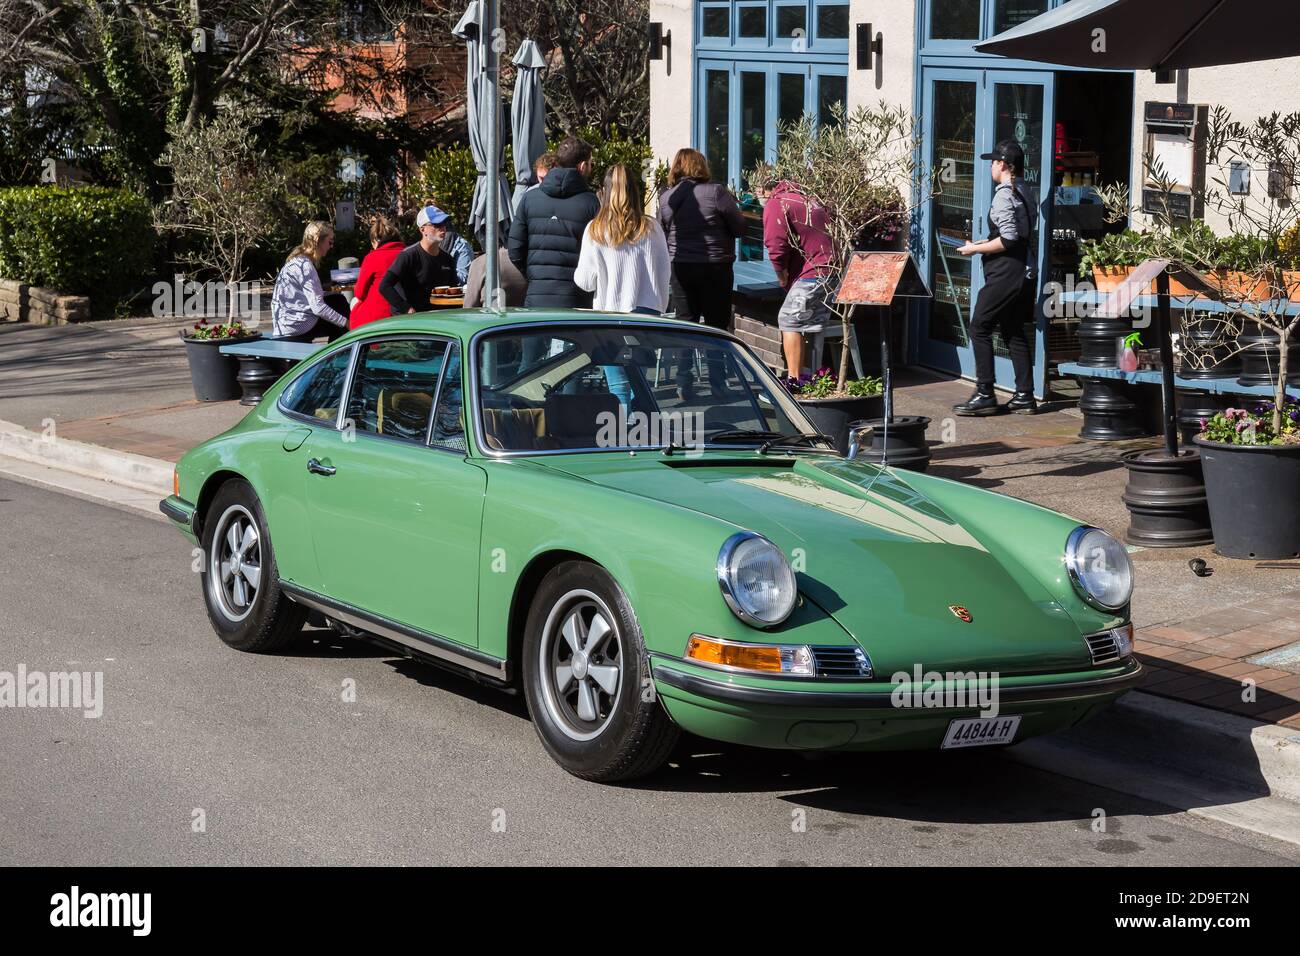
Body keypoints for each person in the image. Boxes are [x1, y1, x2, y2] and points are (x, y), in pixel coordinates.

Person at [572, 163, 669, 406]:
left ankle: (624, 437)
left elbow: (584, 282)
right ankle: (644, 434)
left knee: (618, 386)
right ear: (635, 191)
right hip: (647, 315)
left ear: (603, 192)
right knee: (640, 384)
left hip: (609, 314)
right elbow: (664, 274)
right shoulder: (652, 228)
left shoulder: (595, 230)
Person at [953, 138, 1037, 416]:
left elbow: (1009, 239)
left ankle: (985, 392)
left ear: (1002, 164)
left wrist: (974, 249)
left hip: (1006, 271)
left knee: (979, 325)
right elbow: (1014, 234)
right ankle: (1025, 395)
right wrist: (983, 241)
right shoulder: (1025, 189)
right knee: (1013, 329)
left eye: (993, 161)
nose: (990, 166)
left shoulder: (1004, 194)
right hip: (1023, 269)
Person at [657, 147, 745, 396]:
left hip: (681, 266)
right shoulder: (716, 192)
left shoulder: (666, 197)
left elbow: (663, 231)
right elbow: (739, 227)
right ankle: (718, 383)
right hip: (715, 267)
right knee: (716, 325)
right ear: (700, 166)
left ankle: (684, 382)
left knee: (686, 323)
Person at [752, 163, 836, 379]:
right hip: (831, 269)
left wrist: (781, 275)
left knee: (789, 319)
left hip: (815, 271)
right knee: (806, 322)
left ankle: (794, 379)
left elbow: (775, 245)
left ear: (762, 188)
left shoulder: (776, 202)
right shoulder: (804, 197)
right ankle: (811, 374)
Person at [508, 135, 602, 309]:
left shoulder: (530, 199)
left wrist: (535, 275)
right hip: (577, 298)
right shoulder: (591, 203)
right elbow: (599, 251)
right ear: (582, 167)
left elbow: (514, 249)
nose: (591, 168)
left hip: (537, 297)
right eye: (590, 163)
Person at [270, 221, 349, 342]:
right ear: (317, 240)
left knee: (335, 300)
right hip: (296, 327)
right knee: (338, 302)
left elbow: (305, 296)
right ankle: (340, 354)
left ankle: (337, 354)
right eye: (330, 241)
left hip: (284, 324)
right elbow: (318, 307)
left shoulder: (296, 261)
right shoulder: (306, 266)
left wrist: (327, 289)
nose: (331, 246)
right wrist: (347, 323)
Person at [379, 205, 464, 315]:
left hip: (438, 320)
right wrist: (407, 309)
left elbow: (453, 294)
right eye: (437, 224)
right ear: (423, 229)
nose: (442, 228)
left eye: (444, 224)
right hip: (413, 323)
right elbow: (385, 286)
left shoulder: (447, 259)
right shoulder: (408, 255)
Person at [348, 215, 404, 329]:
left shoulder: (372, 257)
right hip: (404, 313)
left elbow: (359, 293)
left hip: (375, 321)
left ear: (375, 240)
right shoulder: (408, 253)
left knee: (354, 302)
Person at [464, 245, 528, 308]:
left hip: (491, 317)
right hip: (530, 317)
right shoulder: (532, 260)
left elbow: (469, 308)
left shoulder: (481, 263)